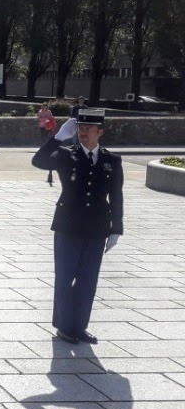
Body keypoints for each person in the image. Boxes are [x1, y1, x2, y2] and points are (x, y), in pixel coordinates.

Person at [31, 109, 123, 345]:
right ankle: (64, 327)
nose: (83, 132)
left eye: (89, 128)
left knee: (88, 280)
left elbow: (116, 196)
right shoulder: (66, 154)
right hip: (68, 226)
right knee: (65, 278)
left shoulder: (111, 160)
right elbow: (38, 161)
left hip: (97, 228)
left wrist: (116, 228)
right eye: (81, 127)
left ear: (100, 132)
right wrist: (58, 138)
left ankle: (80, 326)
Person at [36, 103, 57, 184]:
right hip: (42, 126)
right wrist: (45, 119)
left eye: (46, 106)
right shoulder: (40, 112)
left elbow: (51, 118)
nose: (45, 107)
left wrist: (45, 119)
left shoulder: (49, 112)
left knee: (48, 138)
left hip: (48, 126)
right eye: (44, 106)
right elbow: (39, 118)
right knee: (43, 138)